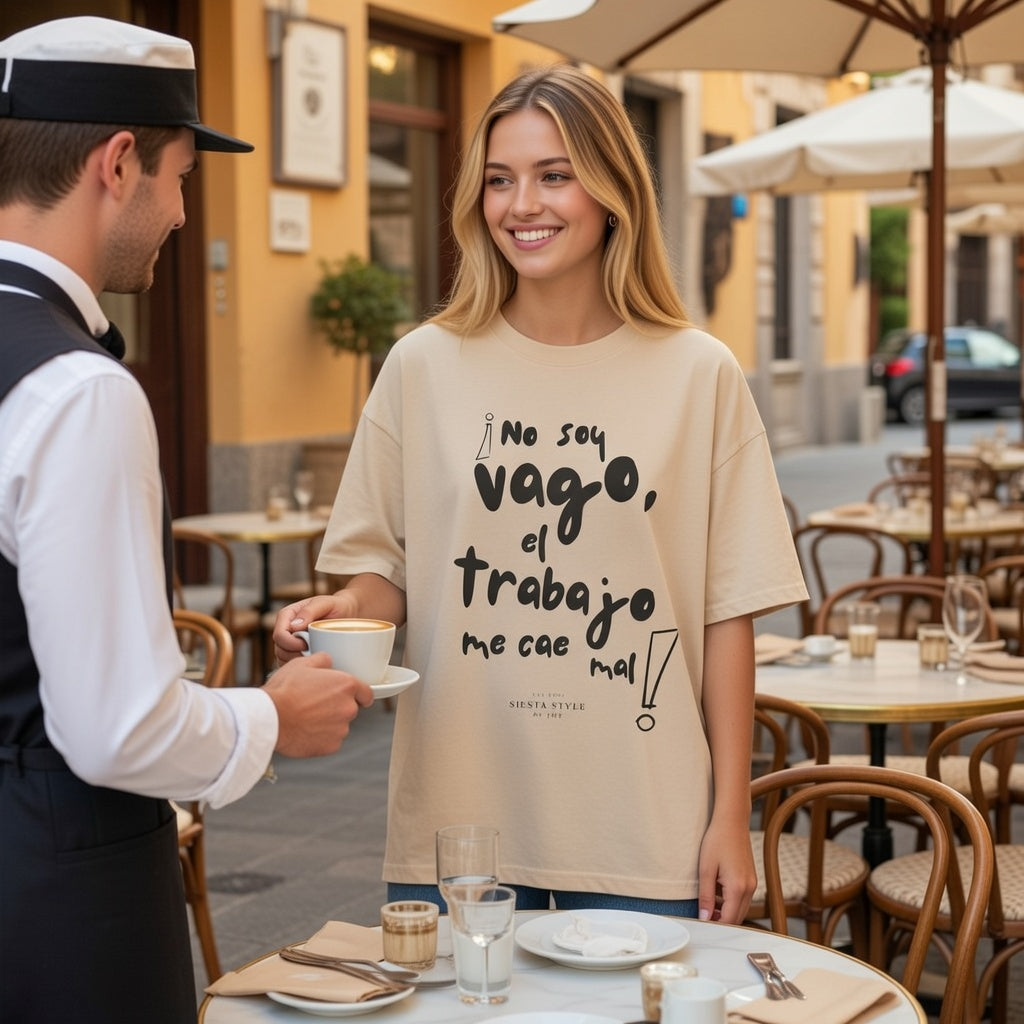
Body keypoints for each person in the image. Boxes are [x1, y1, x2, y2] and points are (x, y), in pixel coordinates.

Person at [276, 64, 806, 924]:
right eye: (499, 180)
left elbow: (727, 613)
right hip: (460, 822)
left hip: (644, 824)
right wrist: (340, 610)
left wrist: (730, 816)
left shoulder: (699, 373)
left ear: (613, 192)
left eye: (555, 175)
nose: (523, 203)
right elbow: (381, 570)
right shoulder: (422, 365)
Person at [0, 17, 374, 1023]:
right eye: (179, 178)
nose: (177, 211)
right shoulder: (76, 388)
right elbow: (116, 729)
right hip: (56, 904)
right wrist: (273, 715)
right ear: (117, 163)